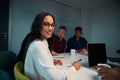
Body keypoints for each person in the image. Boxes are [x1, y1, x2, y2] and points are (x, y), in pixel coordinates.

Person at [21, 12, 80, 80]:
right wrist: (74, 68)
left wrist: (51, 60)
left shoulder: (39, 41)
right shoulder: (39, 45)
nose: (51, 28)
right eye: (46, 24)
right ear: (38, 25)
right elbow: (56, 78)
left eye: (52, 25)